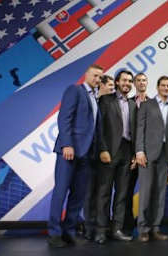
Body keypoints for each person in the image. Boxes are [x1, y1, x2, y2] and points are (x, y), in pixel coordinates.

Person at [47, 64, 103, 248]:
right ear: (86, 74)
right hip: (69, 152)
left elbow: (95, 128)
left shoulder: (95, 97)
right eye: (95, 75)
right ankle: (54, 233)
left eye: (100, 77)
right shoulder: (75, 90)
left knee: (78, 196)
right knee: (61, 192)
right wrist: (67, 144)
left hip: (87, 155)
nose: (97, 80)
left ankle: (69, 232)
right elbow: (64, 118)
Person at [135, 76, 168, 242]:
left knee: (160, 192)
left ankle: (155, 228)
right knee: (146, 191)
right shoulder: (146, 105)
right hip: (147, 154)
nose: (166, 88)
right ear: (157, 87)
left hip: (166, 155)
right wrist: (139, 151)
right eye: (163, 85)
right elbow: (140, 128)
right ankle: (143, 229)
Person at [94, 70, 137, 244]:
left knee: (121, 194)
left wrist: (135, 154)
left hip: (127, 152)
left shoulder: (134, 105)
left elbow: (135, 132)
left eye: (129, 81)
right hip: (109, 152)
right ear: (117, 82)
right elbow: (99, 127)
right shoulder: (105, 100)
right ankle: (100, 230)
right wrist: (103, 149)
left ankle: (116, 229)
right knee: (104, 193)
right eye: (124, 80)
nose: (127, 83)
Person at [82, 73, 115, 240]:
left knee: (103, 193)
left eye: (113, 86)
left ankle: (101, 228)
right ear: (100, 86)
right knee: (89, 193)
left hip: (106, 156)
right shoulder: (91, 102)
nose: (112, 89)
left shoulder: (112, 103)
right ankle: (89, 228)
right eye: (110, 86)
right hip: (89, 155)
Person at [124, 72, 149, 234]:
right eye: (138, 80)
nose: (141, 83)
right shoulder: (128, 103)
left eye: (144, 80)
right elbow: (127, 130)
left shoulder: (154, 103)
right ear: (134, 83)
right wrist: (134, 154)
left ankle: (148, 225)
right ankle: (126, 225)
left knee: (149, 192)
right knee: (126, 191)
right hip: (130, 156)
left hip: (150, 156)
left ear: (147, 83)